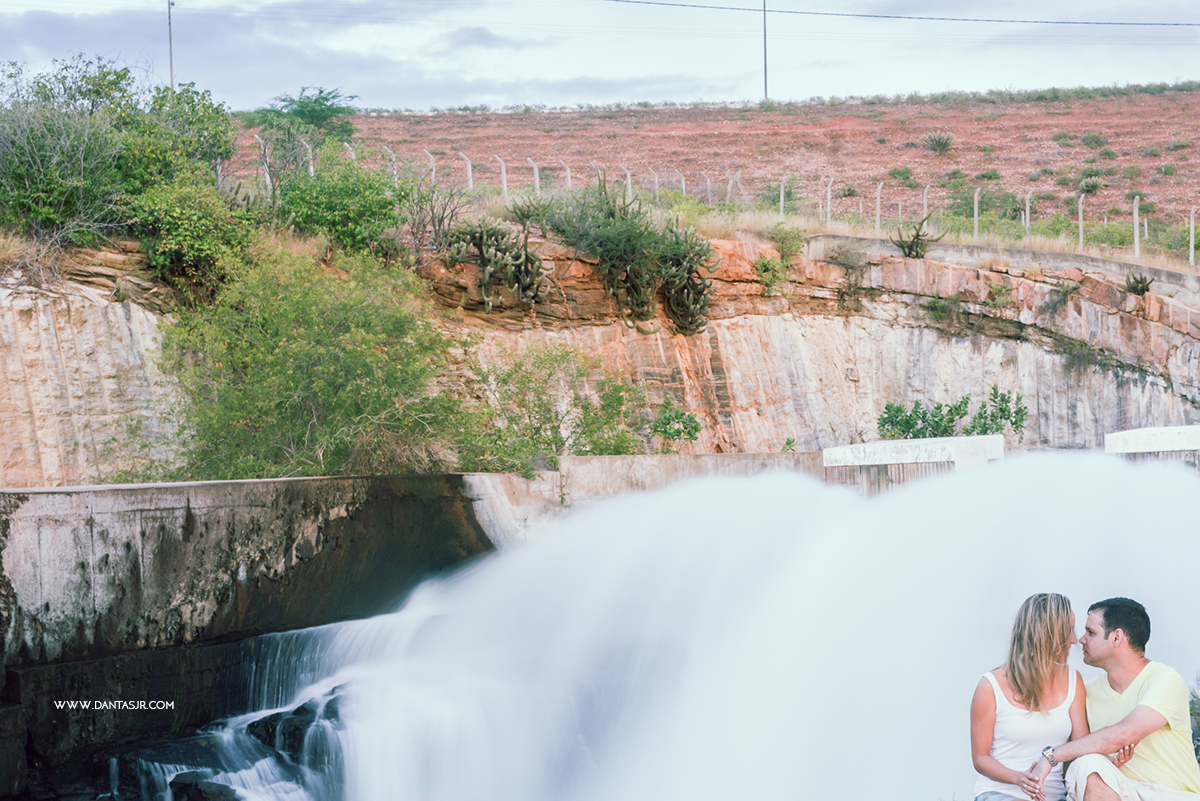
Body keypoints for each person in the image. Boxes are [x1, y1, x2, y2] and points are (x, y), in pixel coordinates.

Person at [1024, 597, 1200, 801]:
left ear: (1116, 638)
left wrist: (1050, 757)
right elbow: (1079, 759)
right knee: (1087, 765)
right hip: (1120, 793)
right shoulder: (1086, 691)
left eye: (1091, 633)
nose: (1081, 639)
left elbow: (1124, 733)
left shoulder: (1165, 679)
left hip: (1171, 795)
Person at [971, 593, 1091, 801]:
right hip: (1002, 793)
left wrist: (1110, 761)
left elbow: (1080, 748)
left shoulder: (1073, 679)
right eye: (1069, 630)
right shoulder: (990, 686)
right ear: (1050, 635)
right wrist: (1019, 778)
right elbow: (980, 758)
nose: (1074, 640)